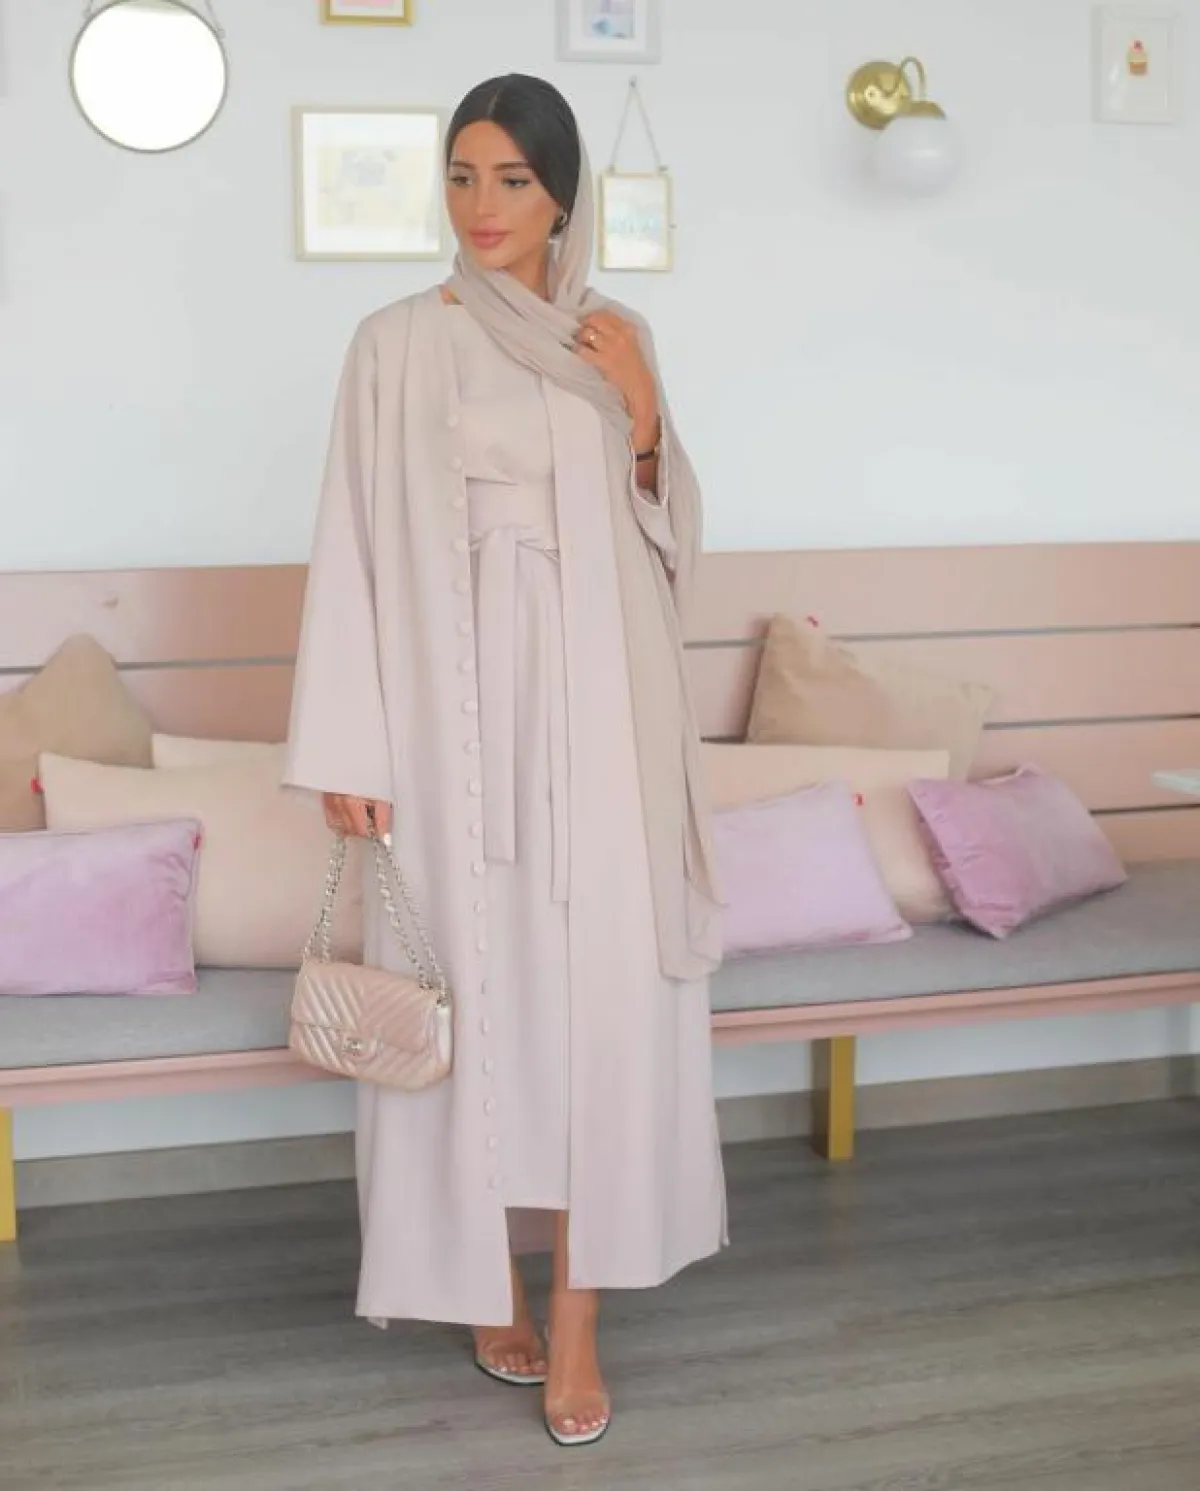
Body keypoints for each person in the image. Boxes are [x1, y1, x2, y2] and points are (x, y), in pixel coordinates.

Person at [285, 73, 726, 1449]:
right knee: (474, 1003)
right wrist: (349, 743)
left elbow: (668, 551)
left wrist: (641, 418)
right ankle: (484, 1285)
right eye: (464, 175)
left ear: (562, 197)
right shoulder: (393, 342)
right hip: (443, 713)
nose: (484, 206)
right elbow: (348, 546)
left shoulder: (615, 336)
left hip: (601, 712)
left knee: (600, 1012)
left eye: (514, 181)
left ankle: (579, 1321)